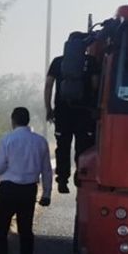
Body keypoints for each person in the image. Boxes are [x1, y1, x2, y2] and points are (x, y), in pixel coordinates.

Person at [0, 107, 53, 254]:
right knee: (26, 230)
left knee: (0, 228)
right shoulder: (40, 142)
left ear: (13, 121)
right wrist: (46, 194)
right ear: (28, 120)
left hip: (8, 189)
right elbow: (47, 171)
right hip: (28, 190)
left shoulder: (7, 139)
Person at [44, 33, 98, 194]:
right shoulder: (91, 61)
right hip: (84, 112)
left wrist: (49, 108)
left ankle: (62, 180)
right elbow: (95, 85)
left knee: (63, 146)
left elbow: (48, 86)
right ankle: (80, 175)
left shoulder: (58, 61)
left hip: (62, 111)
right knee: (83, 146)